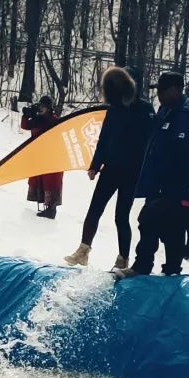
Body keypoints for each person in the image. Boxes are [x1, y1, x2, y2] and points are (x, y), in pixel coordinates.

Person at [65, 66, 154, 271]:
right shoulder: (114, 109)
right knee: (94, 209)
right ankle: (83, 250)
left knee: (121, 216)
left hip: (132, 172)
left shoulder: (145, 109)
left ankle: (123, 258)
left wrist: (145, 171)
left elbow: (151, 142)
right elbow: (104, 138)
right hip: (111, 168)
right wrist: (95, 165)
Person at [117, 73, 189, 279]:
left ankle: (142, 265)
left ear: (175, 89)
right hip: (157, 180)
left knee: (147, 219)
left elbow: (180, 152)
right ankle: (172, 268)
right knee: (171, 225)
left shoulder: (186, 115)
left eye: (162, 90)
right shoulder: (166, 110)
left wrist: (173, 183)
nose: (159, 95)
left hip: (171, 182)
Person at [20, 96, 63, 218]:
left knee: (51, 183)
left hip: (52, 157)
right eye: (40, 106)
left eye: (43, 107)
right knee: (40, 180)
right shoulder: (37, 119)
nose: (41, 109)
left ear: (49, 108)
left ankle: (51, 209)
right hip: (39, 155)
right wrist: (26, 115)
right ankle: (45, 206)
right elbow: (25, 126)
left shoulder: (54, 120)